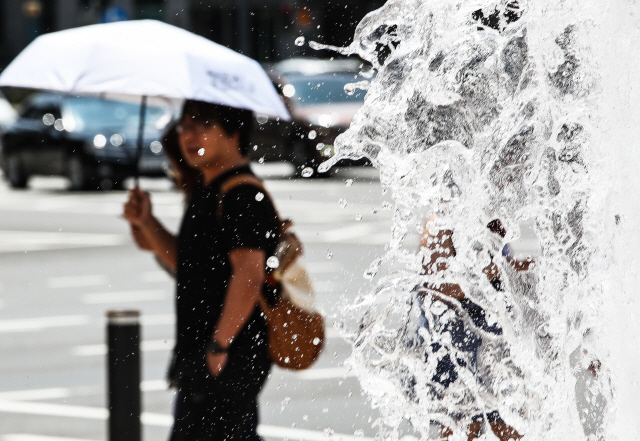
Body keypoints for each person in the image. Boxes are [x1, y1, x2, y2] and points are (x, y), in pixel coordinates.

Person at [123, 100, 280, 441]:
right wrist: (146, 222)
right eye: (184, 126)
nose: (189, 135)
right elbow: (186, 263)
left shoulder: (242, 195)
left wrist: (219, 345)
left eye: (202, 125)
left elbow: (249, 274)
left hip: (228, 353)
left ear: (233, 132)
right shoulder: (207, 190)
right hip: (203, 353)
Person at [418, 217, 529, 441]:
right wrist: (492, 274)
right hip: (456, 317)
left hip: (485, 309)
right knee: (463, 417)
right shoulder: (449, 203)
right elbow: (436, 276)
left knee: (508, 415)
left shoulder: (491, 205)